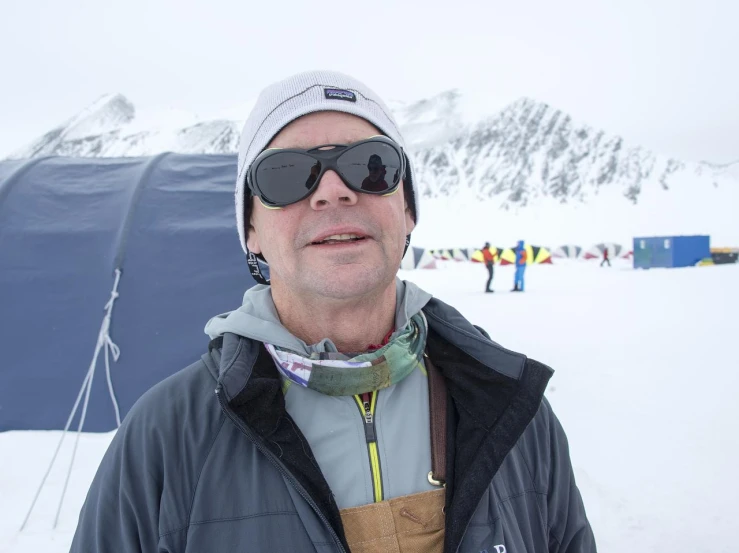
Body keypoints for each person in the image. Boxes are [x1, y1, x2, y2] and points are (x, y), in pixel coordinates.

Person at [71, 71, 595, 553]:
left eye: (371, 166)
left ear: (407, 209)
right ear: (250, 229)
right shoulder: (168, 437)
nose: (333, 191)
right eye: (285, 175)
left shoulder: (510, 411)